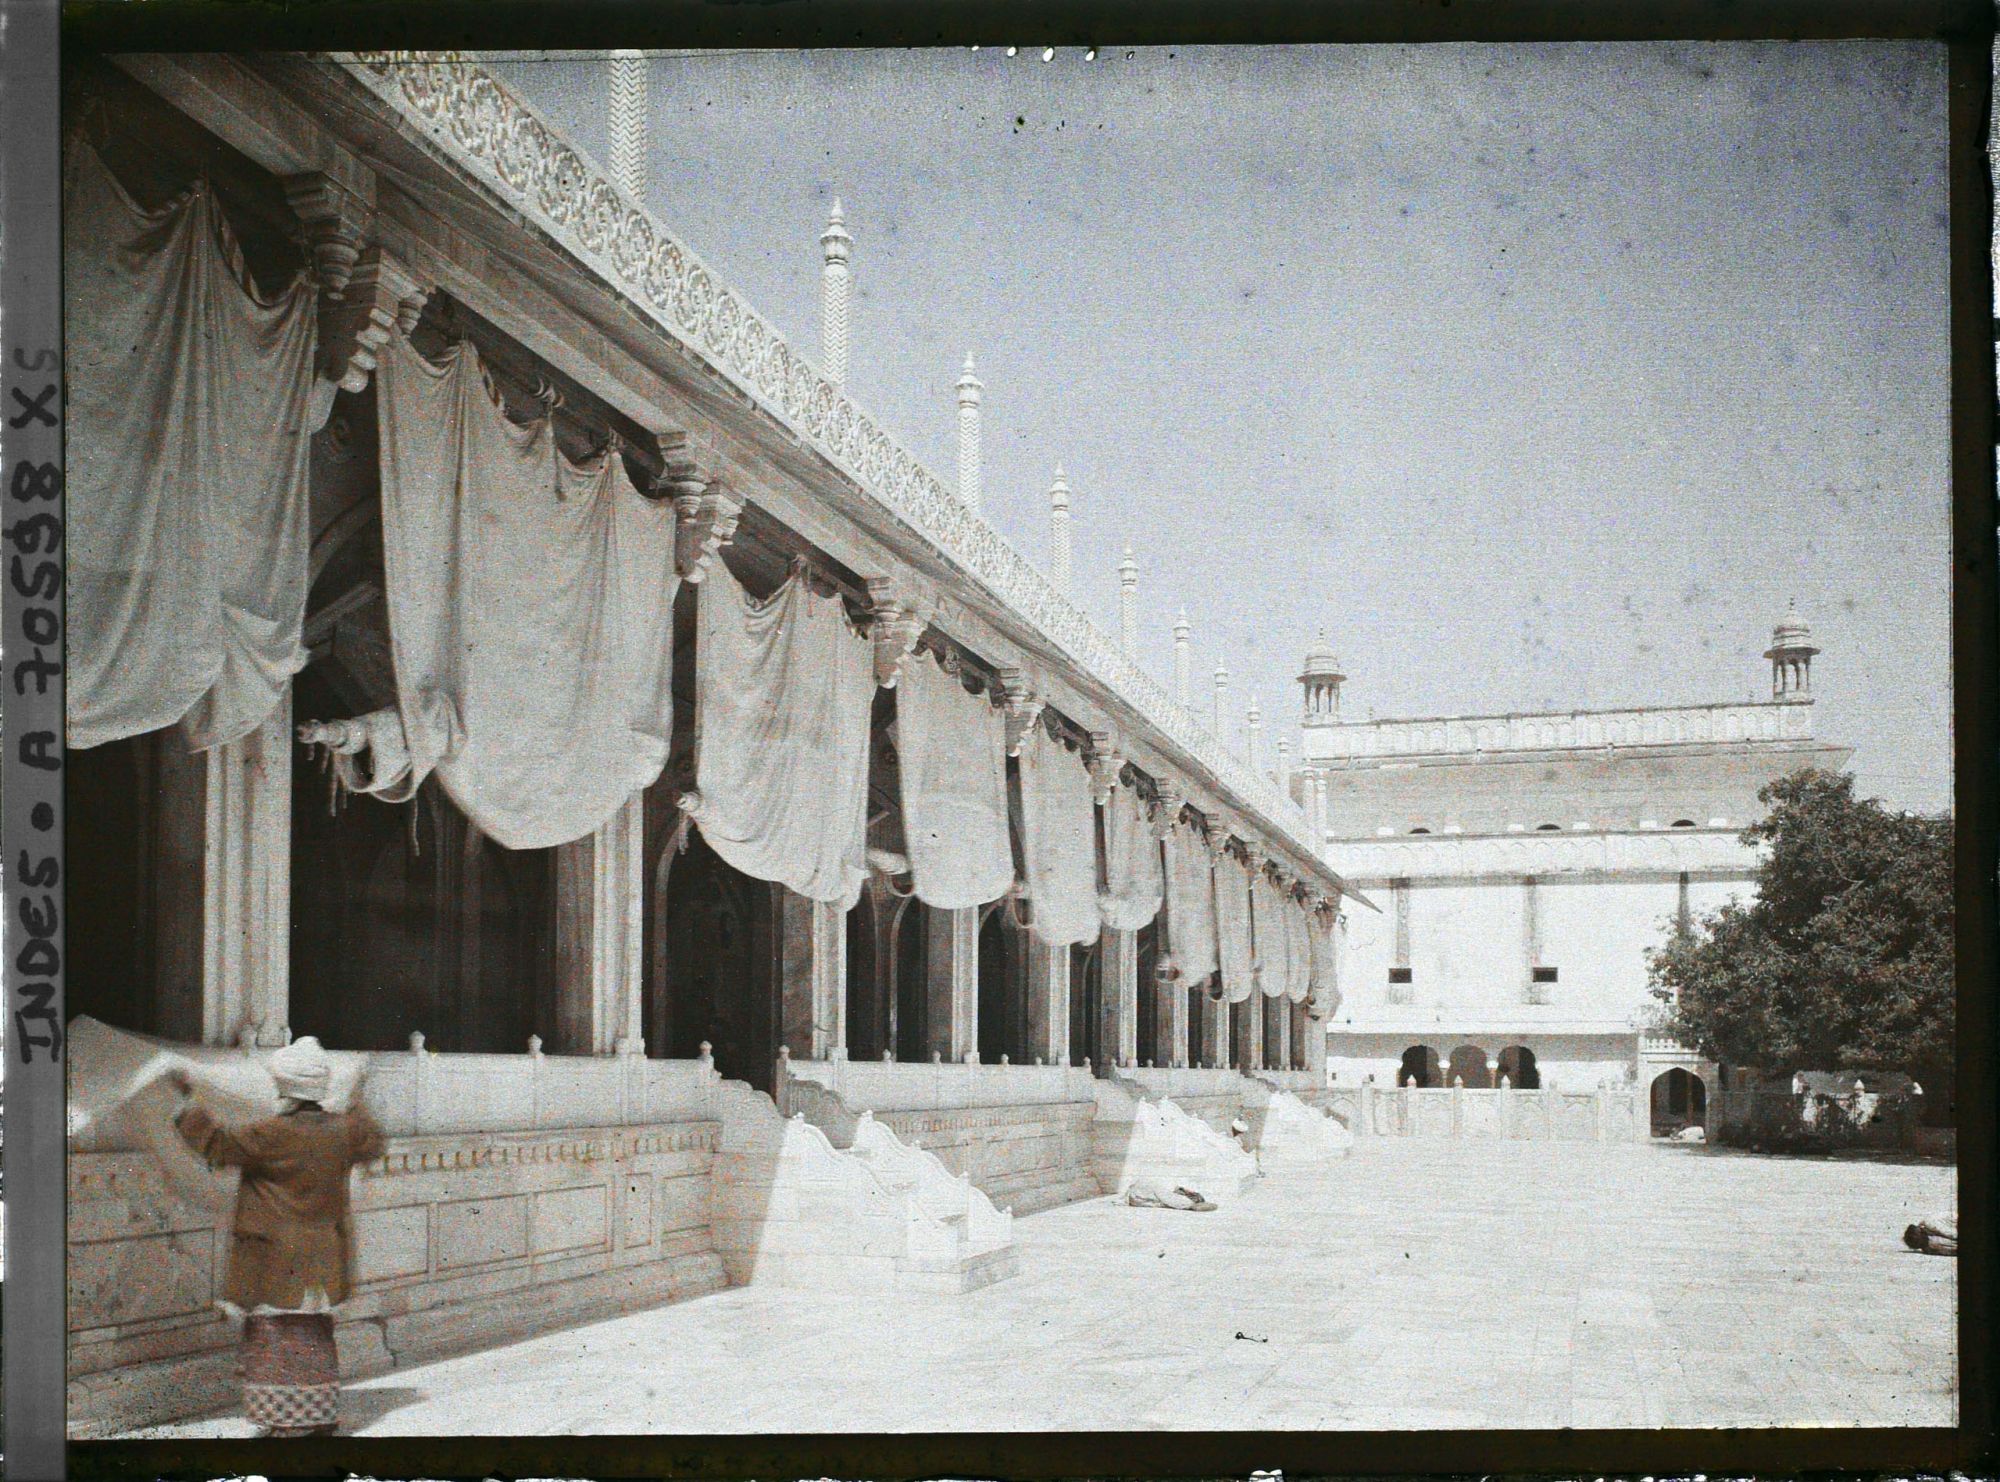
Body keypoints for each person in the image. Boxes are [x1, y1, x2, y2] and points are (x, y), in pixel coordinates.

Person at [166, 1037, 385, 1437]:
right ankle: (317, 1416)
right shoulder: (341, 1131)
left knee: (275, 1340)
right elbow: (371, 1140)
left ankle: (285, 1423)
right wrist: (357, 1097)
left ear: (286, 1088)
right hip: (322, 1259)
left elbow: (216, 1145)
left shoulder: (272, 1133)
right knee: (313, 1337)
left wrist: (187, 1097)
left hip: (273, 1261)